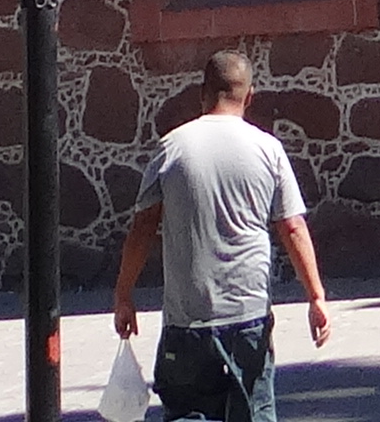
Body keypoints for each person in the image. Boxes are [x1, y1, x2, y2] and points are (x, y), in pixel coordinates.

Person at [110, 47, 332, 422]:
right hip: (248, 317)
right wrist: (316, 297)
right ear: (250, 95)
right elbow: (292, 226)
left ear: (203, 91)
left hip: (187, 320)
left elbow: (143, 227)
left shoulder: (171, 149)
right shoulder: (268, 150)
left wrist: (123, 295)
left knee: (187, 413)